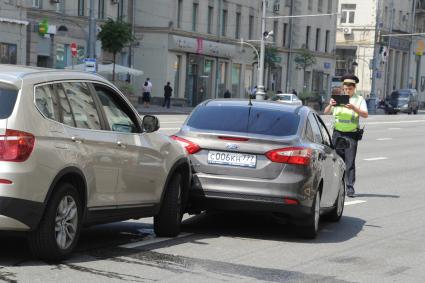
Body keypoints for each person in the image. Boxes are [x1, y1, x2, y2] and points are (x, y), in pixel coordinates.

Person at [323, 74, 368, 197]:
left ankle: (350, 187)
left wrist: (354, 108)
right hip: (337, 133)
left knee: (349, 162)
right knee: (336, 160)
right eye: (345, 89)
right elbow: (325, 112)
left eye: (350, 89)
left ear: (354, 88)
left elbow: (365, 114)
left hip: (351, 134)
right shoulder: (339, 98)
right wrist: (330, 104)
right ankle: (335, 186)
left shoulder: (359, 99)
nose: (347, 91)